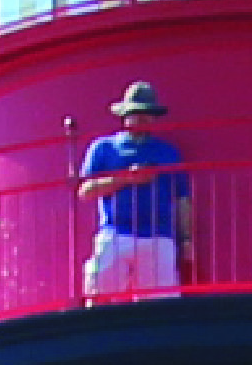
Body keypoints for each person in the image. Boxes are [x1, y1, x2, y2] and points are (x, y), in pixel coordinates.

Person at [76, 81, 189, 300]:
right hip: (116, 232)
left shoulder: (168, 152)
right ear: (125, 115)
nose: (143, 118)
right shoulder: (104, 148)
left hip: (159, 235)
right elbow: (85, 190)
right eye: (136, 112)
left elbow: (183, 198)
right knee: (102, 298)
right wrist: (127, 178)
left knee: (160, 305)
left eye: (148, 113)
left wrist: (186, 239)